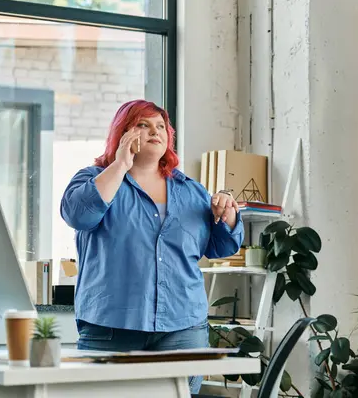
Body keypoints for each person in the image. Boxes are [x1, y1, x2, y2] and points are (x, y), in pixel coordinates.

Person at [60, 100, 244, 394]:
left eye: (160, 126)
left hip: (183, 329)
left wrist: (229, 215)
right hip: (111, 328)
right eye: (142, 125)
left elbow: (220, 247)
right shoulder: (94, 178)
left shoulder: (191, 190)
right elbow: (78, 215)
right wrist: (120, 164)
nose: (154, 131)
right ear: (123, 133)